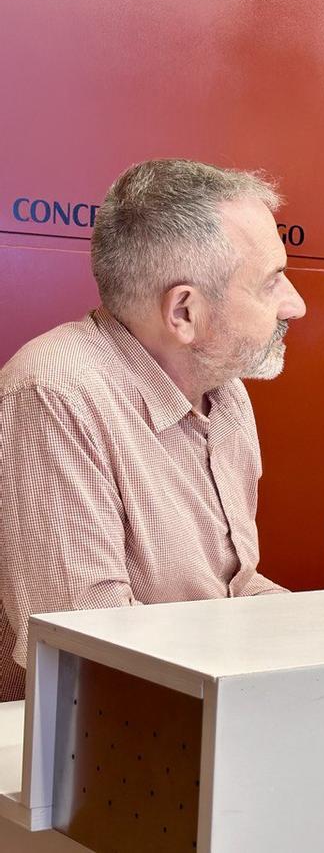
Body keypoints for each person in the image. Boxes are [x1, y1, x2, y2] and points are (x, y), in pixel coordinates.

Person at [0, 159, 307, 701]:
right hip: (88, 741)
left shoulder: (226, 390)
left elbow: (229, 592)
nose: (296, 304)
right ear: (183, 311)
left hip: (194, 709)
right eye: (270, 282)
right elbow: (87, 647)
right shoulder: (54, 393)